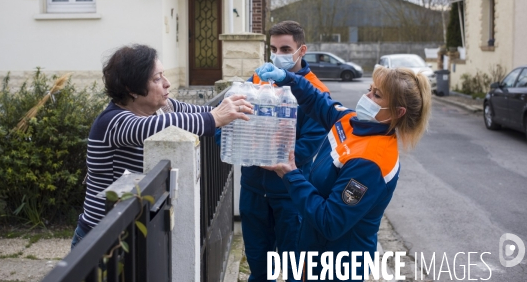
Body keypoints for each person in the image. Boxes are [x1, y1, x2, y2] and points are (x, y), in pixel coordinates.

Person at [256, 62, 431, 281]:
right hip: (316, 255)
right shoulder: (351, 122)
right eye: (370, 89)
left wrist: (290, 174)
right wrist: (289, 79)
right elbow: (319, 103)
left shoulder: (370, 163)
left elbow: (331, 222)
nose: (367, 97)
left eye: (377, 95)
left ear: (398, 112)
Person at [72, 44, 253, 249]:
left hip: (129, 236)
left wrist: (238, 103)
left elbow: (200, 112)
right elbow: (150, 127)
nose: (167, 83)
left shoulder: (162, 107)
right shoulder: (112, 122)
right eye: (157, 79)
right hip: (98, 242)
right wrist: (214, 119)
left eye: (164, 75)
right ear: (131, 89)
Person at [240, 21, 331, 282]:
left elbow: (309, 144)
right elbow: (233, 115)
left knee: (294, 268)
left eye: (285, 48)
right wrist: (229, 141)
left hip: (289, 193)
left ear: (302, 50)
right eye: (273, 48)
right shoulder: (257, 79)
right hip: (254, 189)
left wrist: (270, 155)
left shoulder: (316, 91)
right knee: (259, 267)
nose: (278, 55)